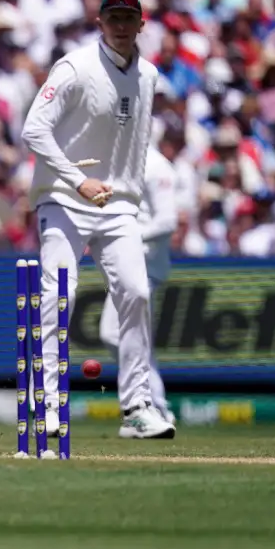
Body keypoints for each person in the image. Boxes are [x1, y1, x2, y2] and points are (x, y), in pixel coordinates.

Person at [20, 0, 175, 439]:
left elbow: (134, 146)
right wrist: (77, 180)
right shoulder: (74, 67)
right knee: (58, 298)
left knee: (136, 293)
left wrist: (126, 192)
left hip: (119, 205)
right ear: (100, 22)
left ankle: (139, 407)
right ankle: (48, 405)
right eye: (113, 18)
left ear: (141, 24)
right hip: (65, 199)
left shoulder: (148, 76)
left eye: (129, 18)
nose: (121, 26)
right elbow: (34, 130)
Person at [99, 145, 178, 424]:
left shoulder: (157, 167)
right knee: (132, 337)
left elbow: (167, 221)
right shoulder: (123, 164)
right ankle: (153, 405)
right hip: (129, 264)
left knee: (114, 333)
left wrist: (128, 239)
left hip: (146, 266)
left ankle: (152, 404)